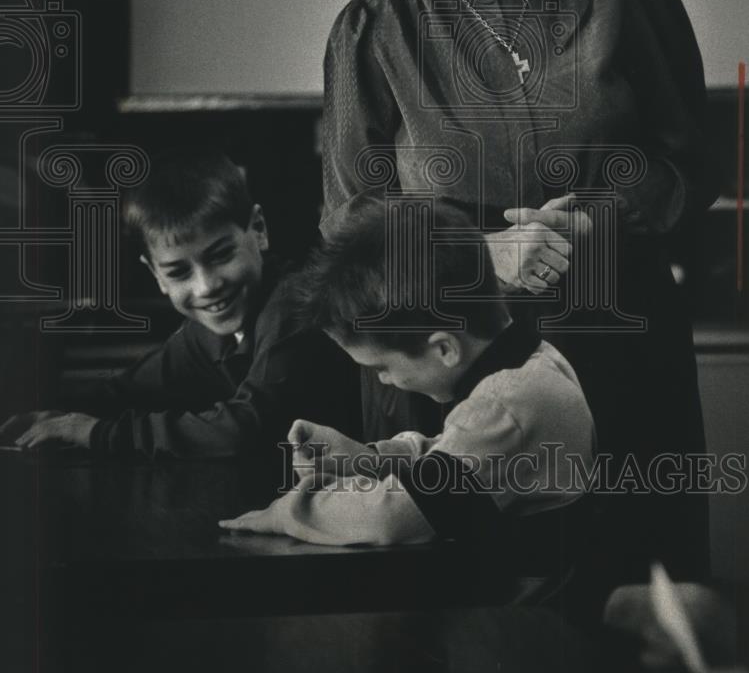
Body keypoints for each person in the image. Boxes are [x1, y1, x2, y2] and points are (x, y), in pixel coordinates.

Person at [321, 0, 716, 581]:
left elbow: (692, 165)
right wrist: (471, 258)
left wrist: (601, 217)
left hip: (619, 355)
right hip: (446, 376)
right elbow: (352, 226)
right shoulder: (371, 28)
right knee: (460, 619)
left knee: (631, 609)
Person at [220, 199, 594, 570]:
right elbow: (458, 460)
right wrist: (367, 461)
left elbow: (393, 517)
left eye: (381, 366)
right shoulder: (532, 364)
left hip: (520, 613)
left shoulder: (505, 404)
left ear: (444, 347)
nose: (383, 380)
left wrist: (288, 512)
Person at [0, 149, 359, 457]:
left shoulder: (294, 303)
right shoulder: (206, 333)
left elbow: (245, 427)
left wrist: (95, 433)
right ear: (155, 274)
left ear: (259, 230)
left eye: (221, 255)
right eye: (177, 272)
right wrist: (51, 412)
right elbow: (128, 390)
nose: (206, 287)